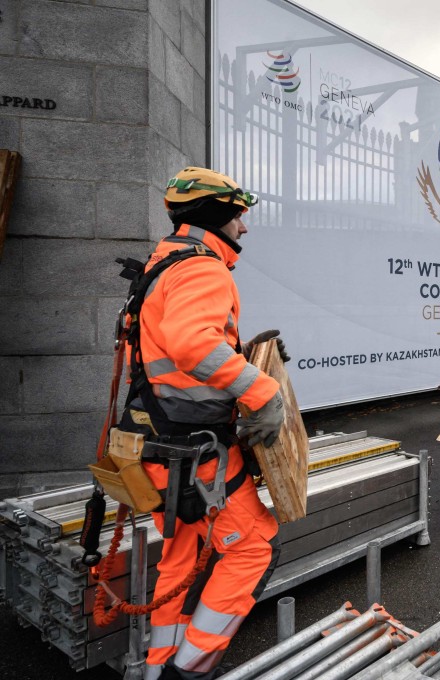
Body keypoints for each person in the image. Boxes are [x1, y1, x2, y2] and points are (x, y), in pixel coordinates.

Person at [119, 167, 288, 680]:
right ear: (216, 213)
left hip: (159, 446)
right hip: (196, 452)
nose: (245, 227)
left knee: (180, 562)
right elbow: (194, 345)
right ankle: (190, 668)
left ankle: (158, 667)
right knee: (251, 548)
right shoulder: (203, 268)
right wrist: (263, 390)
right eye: (240, 216)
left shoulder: (161, 265)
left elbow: (173, 351)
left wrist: (244, 356)